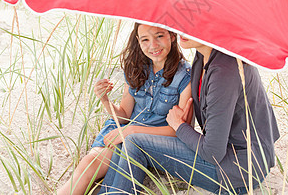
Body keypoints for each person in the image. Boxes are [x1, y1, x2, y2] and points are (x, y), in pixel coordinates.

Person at [98, 36, 280, 195]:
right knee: (127, 140)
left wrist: (179, 125)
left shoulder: (225, 70)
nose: (183, 31)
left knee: (135, 142)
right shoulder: (204, 55)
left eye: (193, 26)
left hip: (239, 169)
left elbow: (212, 152)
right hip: (224, 151)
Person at [57, 23, 191, 195]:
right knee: (90, 163)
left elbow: (180, 130)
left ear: (172, 36)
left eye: (159, 36)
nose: (153, 45)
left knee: (110, 167)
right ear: (138, 41)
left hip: (151, 139)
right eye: (145, 39)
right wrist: (104, 99)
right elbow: (124, 115)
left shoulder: (185, 74)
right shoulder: (137, 68)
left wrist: (130, 131)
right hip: (123, 129)